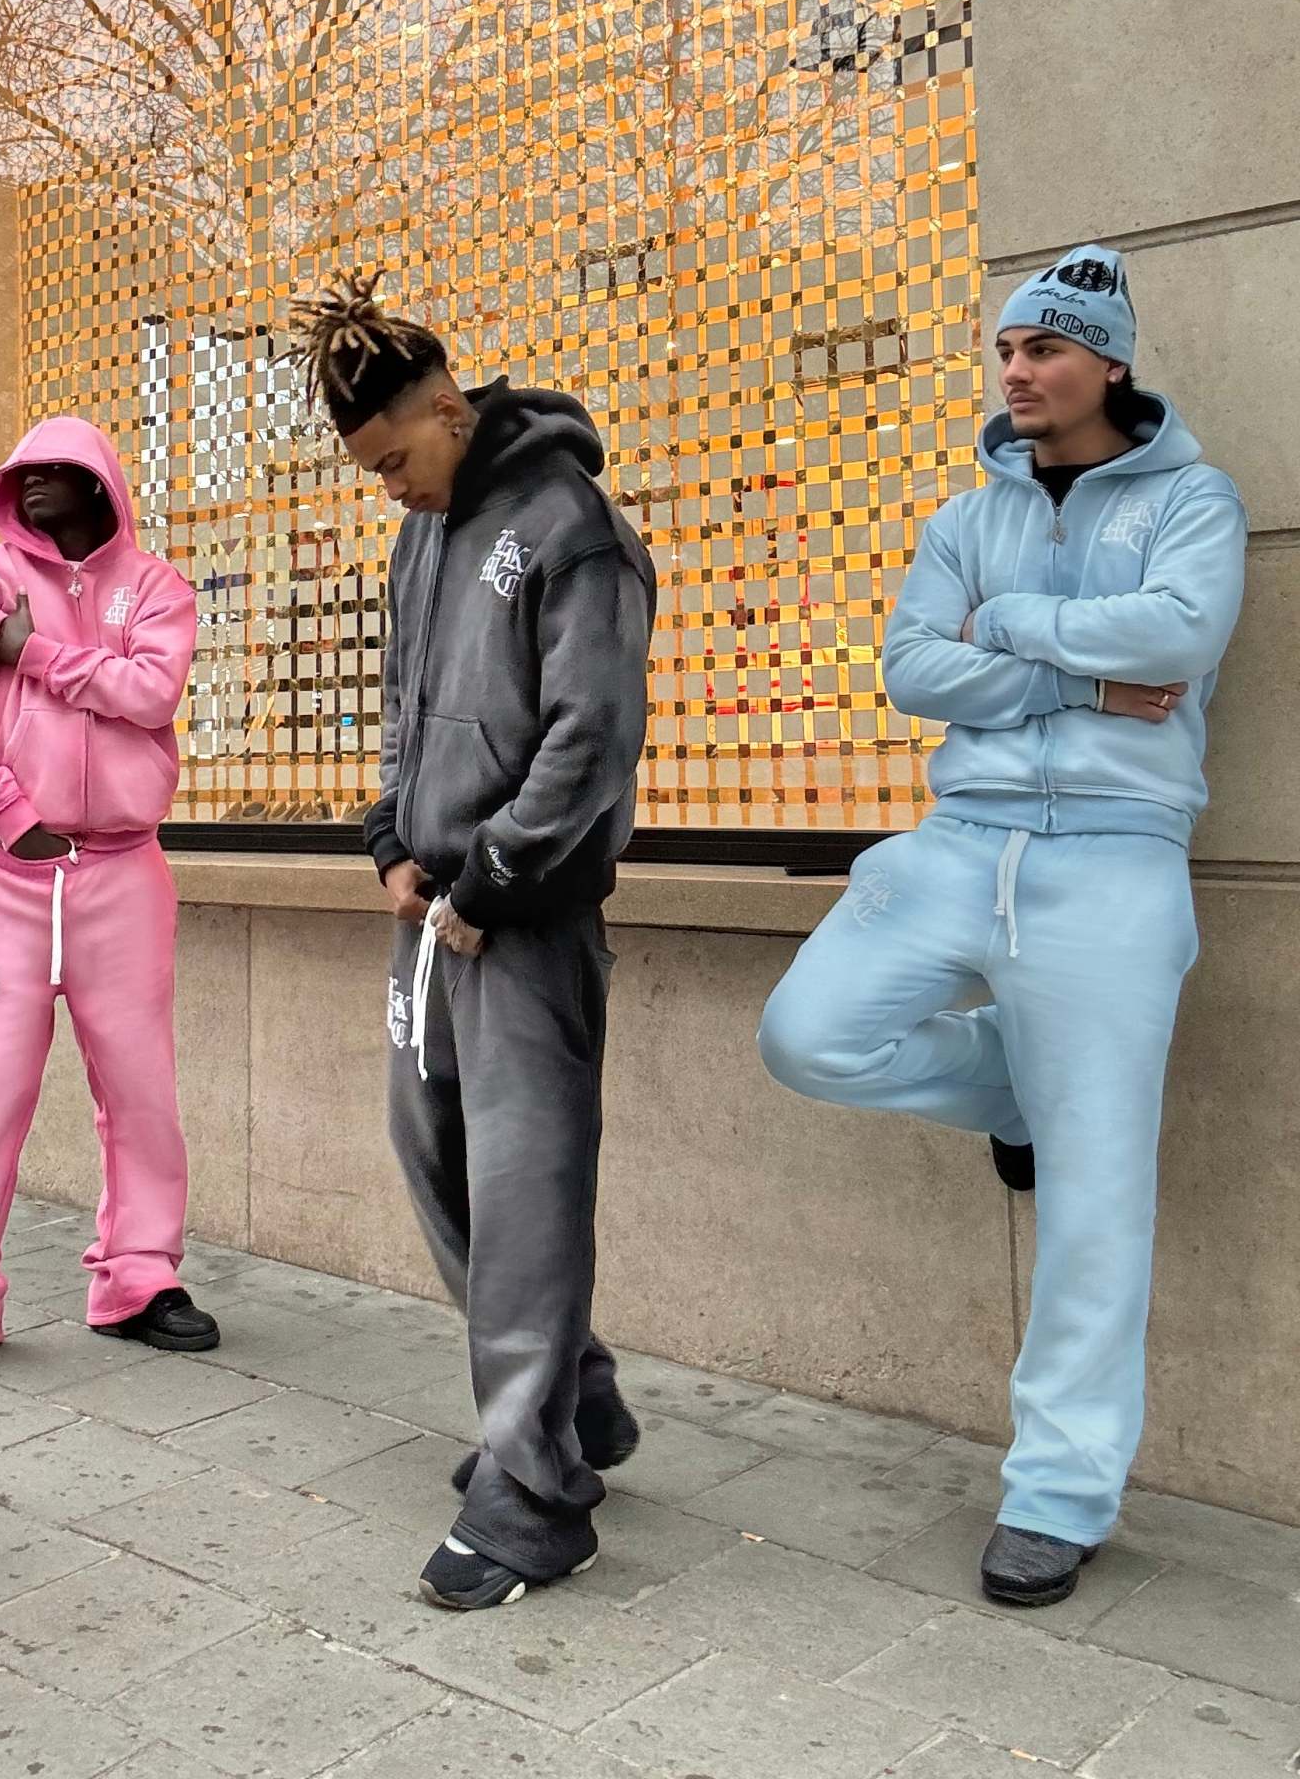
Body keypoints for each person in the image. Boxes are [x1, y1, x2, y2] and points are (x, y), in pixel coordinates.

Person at [758, 244, 1246, 1609]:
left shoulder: (1193, 500)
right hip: (959, 841)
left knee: (1097, 1192)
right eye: (1008, 350)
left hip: (1115, 858)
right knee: (808, 1035)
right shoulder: (964, 517)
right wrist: (1079, 680)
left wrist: (1016, 625)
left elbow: (1179, 635)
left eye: (1044, 348)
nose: (1017, 371)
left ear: (1109, 361)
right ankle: (1022, 1090)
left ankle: (1059, 1493)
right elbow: (913, 667)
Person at [290, 273, 655, 1612]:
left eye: (395, 459)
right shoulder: (425, 535)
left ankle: (536, 1498)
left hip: (528, 915)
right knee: (432, 1155)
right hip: (436, 913)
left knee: (525, 1195)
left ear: (448, 407)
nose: (388, 487)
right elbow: (404, 702)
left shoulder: (573, 528)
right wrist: (390, 834)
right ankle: (572, 1400)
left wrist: (495, 874)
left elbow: (591, 736)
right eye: (372, 472)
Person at [0, 416, 216, 1385]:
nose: (31, 483)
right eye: (21, 472)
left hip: (124, 871)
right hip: (5, 874)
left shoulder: (157, 588)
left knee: (141, 1090)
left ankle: (141, 1279)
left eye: (55, 470)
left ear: (100, 483)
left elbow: (152, 695)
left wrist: (34, 654)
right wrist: (9, 812)